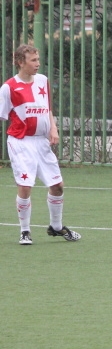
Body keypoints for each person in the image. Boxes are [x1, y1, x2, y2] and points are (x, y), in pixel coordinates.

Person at [0, 44, 82, 245]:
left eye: (38, 59)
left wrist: (52, 128)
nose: (38, 64)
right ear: (20, 62)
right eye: (33, 60)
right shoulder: (8, 88)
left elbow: (47, 109)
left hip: (41, 142)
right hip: (21, 142)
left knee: (57, 186)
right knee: (25, 186)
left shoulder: (43, 81)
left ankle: (56, 227)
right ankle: (25, 231)